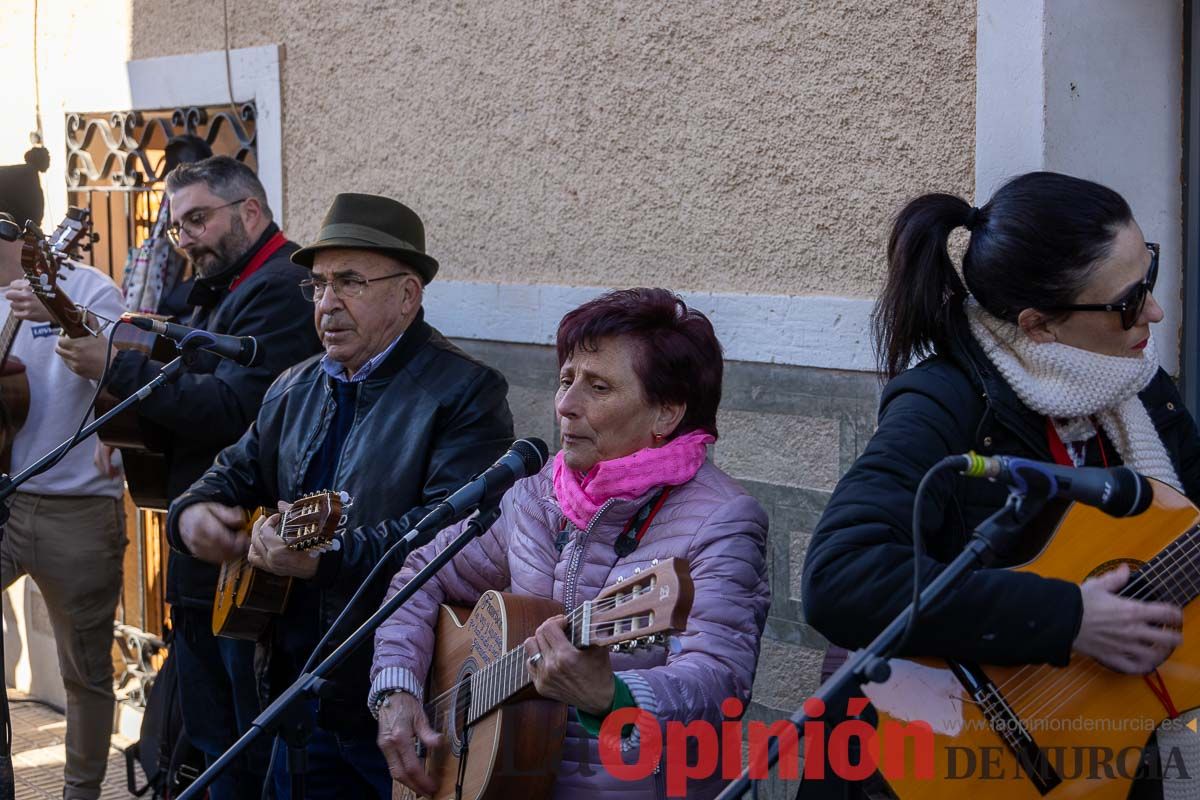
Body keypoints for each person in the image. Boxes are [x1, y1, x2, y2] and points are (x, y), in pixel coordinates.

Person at [800, 172, 1199, 798]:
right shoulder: (945, 402)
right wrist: (1068, 618)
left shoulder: (1138, 387)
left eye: (1148, 272)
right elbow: (840, 578)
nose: (1154, 309)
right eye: (1128, 300)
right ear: (1038, 324)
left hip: (1103, 754)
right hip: (939, 757)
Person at [166, 192, 515, 798]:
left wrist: (326, 559)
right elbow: (231, 472)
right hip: (292, 695)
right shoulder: (293, 386)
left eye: (350, 281)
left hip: (394, 700)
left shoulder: (464, 394)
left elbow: (442, 536)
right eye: (319, 285)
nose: (327, 303)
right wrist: (192, 514)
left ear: (408, 295)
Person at [374, 287, 772, 799]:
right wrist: (398, 687)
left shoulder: (722, 520)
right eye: (566, 380)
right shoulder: (535, 496)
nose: (565, 404)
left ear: (666, 414)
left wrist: (615, 694)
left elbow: (719, 682)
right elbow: (419, 576)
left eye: (599, 387)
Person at [56, 155, 322, 799]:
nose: (187, 238)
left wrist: (115, 375)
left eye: (198, 219)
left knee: (242, 744)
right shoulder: (222, 286)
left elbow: (236, 409)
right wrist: (130, 429)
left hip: (246, 561)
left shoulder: (282, 288)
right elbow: (184, 384)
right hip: (203, 554)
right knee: (208, 739)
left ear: (250, 212)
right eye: (178, 227)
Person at [0, 188, 126, 798]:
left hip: (77, 506)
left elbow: (121, 357)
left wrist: (58, 309)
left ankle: (81, 792)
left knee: (85, 672)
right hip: (5, 498)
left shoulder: (89, 287)